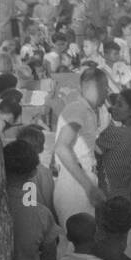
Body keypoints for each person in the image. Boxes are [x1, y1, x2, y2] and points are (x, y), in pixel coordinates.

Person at [52, 67, 108, 224]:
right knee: (78, 240)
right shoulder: (78, 109)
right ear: (95, 86)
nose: (107, 92)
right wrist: (88, 187)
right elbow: (62, 147)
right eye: (105, 87)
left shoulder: (88, 111)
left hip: (81, 181)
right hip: (75, 185)